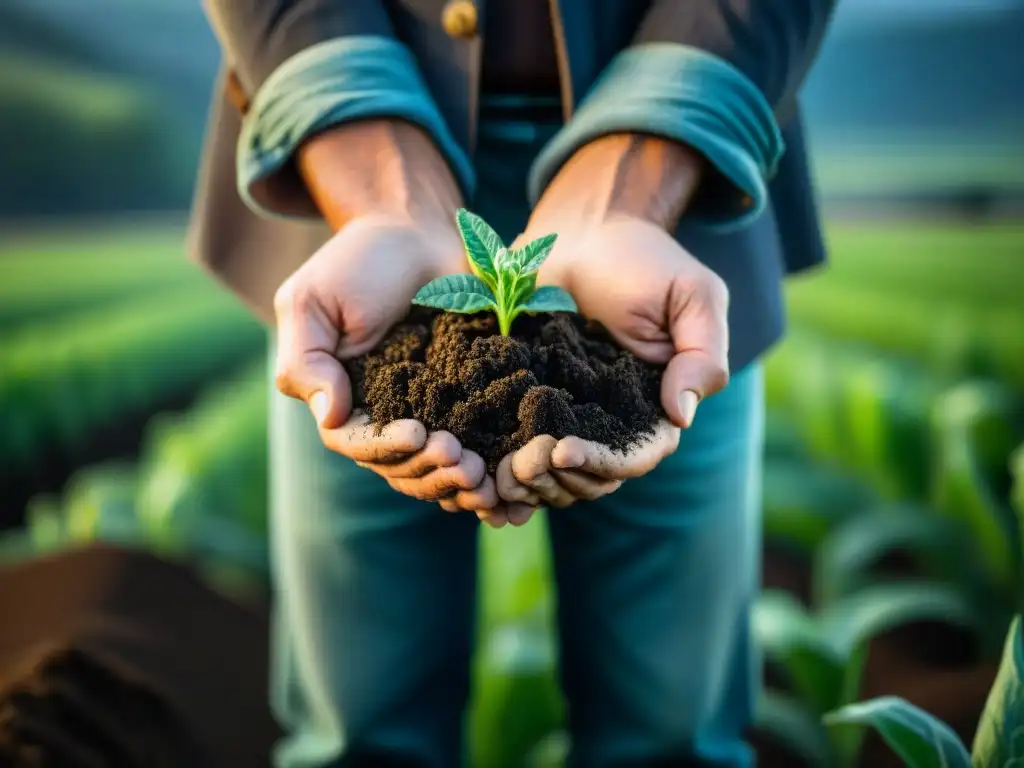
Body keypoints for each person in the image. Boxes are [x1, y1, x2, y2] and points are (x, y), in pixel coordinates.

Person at [191, 0, 836, 765]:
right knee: (361, 728)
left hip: (679, 183)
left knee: (672, 730)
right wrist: (378, 187)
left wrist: (636, 182)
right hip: (348, 169)